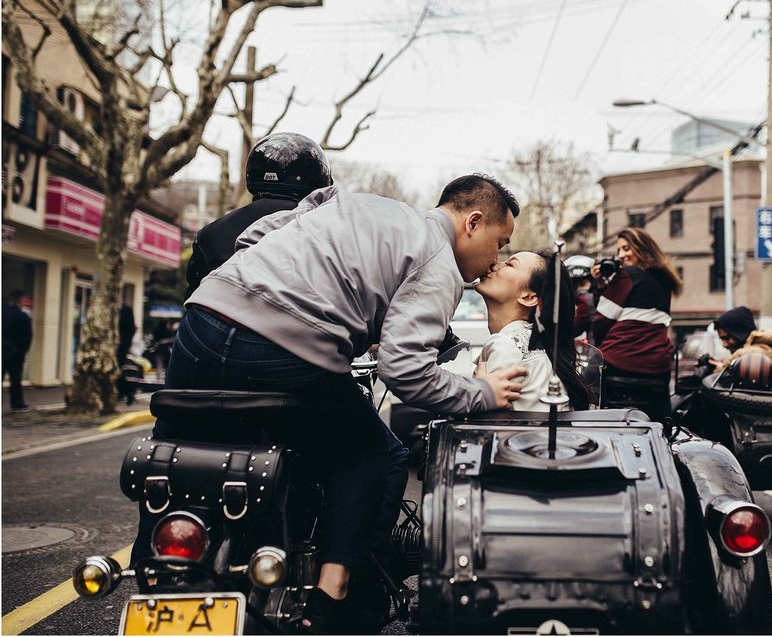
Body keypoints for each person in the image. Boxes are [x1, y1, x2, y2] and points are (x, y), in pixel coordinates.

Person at [159, 173, 526, 633]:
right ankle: (334, 599)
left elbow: (255, 235)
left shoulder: (354, 202)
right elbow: (405, 371)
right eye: (501, 242)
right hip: (280, 352)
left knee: (175, 455)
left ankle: (150, 569)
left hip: (200, 328)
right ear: (473, 222)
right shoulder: (437, 260)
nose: (498, 258)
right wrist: (484, 392)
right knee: (377, 455)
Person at [184, 132, 333, 299]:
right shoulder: (329, 230)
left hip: (224, 322)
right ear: (318, 176)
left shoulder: (210, 233)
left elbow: (194, 299)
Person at [474, 251, 590, 411]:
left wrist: (478, 390)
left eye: (509, 264)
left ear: (529, 297)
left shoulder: (507, 345)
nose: (494, 264)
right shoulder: (532, 344)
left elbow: (488, 426)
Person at [590, 227, 682, 422]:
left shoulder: (627, 275)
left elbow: (601, 322)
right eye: (619, 251)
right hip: (657, 370)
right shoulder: (666, 281)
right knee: (656, 427)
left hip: (617, 366)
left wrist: (599, 286)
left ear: (642, 249)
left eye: (626, 249)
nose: (621, 256)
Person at [713, 305, 772, 370]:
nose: (724, 345)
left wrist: (722, 366)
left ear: (739, 333)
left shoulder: (759, 351)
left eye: (727, 338)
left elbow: (747, 354)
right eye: (722, 339)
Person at [2, 290, 33, 413]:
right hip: (15, 354)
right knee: (15, 380)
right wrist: (22, 352)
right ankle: (17, 404)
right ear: (19, 301)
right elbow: (27, 337)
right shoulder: (22, 316)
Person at [565, 254, 596, 345]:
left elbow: (574, 329)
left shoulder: (587, 301)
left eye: (583, 284)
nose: (579, 289)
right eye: (574, 285)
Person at [117, 302, 138, 405]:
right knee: (117, 370)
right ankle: (125, 392)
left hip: (120, 345)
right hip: (119, 344)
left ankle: (127, 392)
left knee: (117, 370)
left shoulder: (125, 310)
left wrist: (123, 344)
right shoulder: (121, 310)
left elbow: (130, 329)